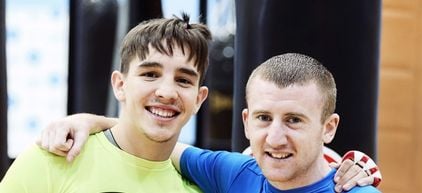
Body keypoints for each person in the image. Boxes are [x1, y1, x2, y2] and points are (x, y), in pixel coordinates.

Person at [33, 53, 381, 192]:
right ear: (246, 122)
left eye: (294, 120)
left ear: (328, 128)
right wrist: (89, 121)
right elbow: (159, 142)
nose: (275, 137)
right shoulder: (234, 173)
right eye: (263, 118)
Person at [0, 14, 211, 192]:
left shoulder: (201, 187)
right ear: (120, 85)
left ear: (198, 99)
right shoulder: (50, 159)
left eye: (183, 80)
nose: (166, 93)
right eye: (150, 74)